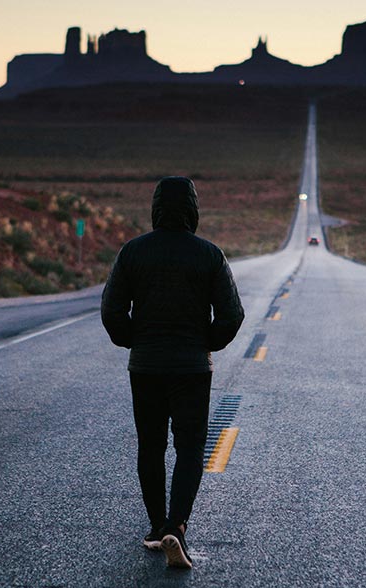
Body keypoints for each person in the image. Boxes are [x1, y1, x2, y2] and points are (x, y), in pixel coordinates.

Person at [101, 176, 245, 569]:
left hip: (146, 366)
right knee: (190, 447)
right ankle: (176, 527)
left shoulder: (133, 252)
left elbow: (112, 310)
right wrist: (206, 343)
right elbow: (232, 314)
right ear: (193, 209)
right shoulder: (209, 254)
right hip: (192, 368)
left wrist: (134, 340)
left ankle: (155, 527)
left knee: (151, 446)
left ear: (156, 208)